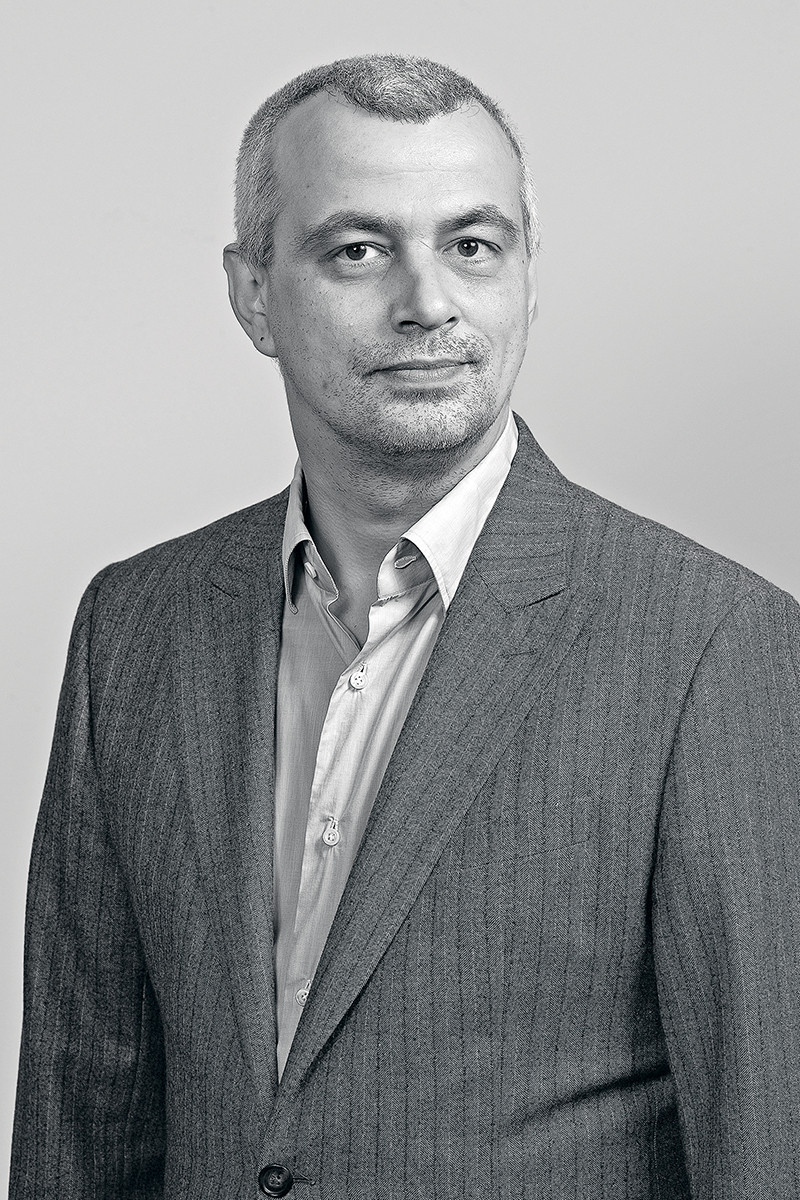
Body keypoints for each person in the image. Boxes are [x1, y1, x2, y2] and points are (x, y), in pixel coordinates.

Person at [10, 52, 800, 1200]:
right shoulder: (134, 629)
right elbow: (81, 1121)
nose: (427, 303)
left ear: (526, 276)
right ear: (251, 295)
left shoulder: (714, 648)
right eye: (358, 250)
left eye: (472, 245)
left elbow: (764, 1143)